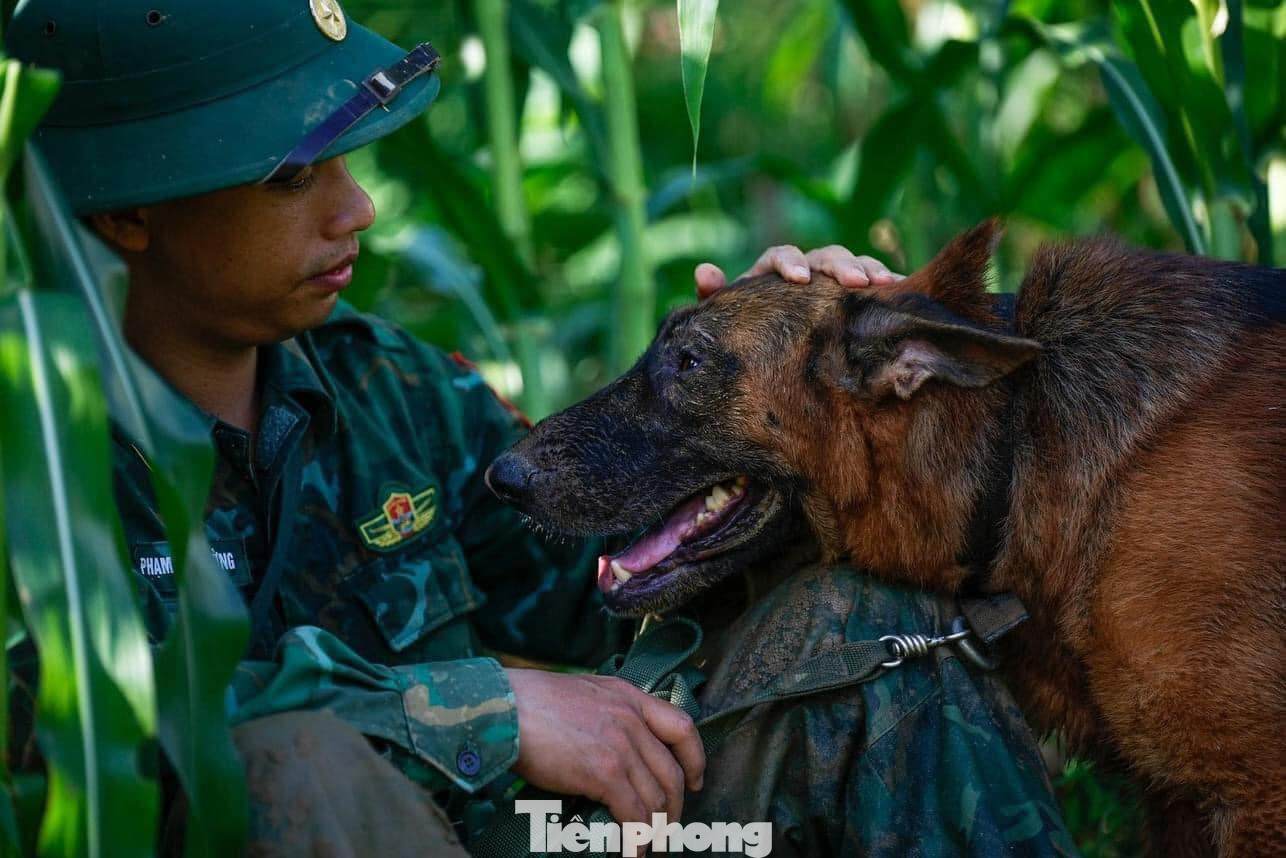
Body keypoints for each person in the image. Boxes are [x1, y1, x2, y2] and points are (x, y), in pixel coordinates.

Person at [5, 1, 1075, 855]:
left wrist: (790, 378)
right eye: (295, 177)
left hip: (531, 834)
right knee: (298, 763)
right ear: (126, 213)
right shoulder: (36, 452)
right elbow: (69, 729)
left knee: (863, 623)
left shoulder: (387, 390)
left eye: (345, 163)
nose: (356, 208)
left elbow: (600, 596)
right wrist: (484, 706)